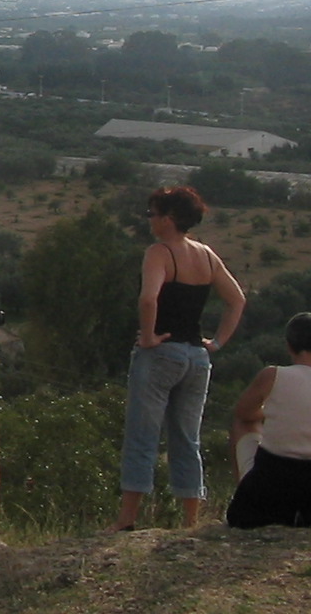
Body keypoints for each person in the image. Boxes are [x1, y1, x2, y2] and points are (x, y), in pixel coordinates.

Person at [108, 185, 245, 531]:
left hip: (161, 354)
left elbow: (148, 299)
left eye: (153, 214)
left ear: (169, 219)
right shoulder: (207, 255)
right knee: (187, 438)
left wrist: (149, 336)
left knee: (143, 435)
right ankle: (190, 519)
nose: (150, 220)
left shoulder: (159, 252)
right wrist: (216, 343)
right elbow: (237, 300)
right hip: (197, 357)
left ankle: (127, 519)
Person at [227, 312, 311, 528]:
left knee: (242, 423)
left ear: (288, 346)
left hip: (271, 485)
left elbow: (243, 413)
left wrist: (273, 413)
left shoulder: (272, 375)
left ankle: (244, 489)